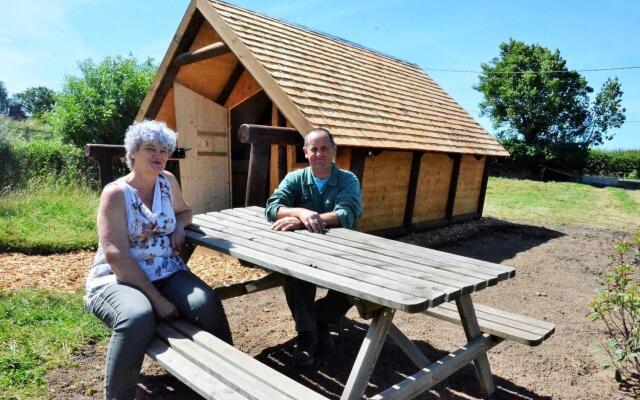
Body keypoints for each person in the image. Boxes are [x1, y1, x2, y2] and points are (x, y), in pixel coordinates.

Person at [84, 120, 232, 399]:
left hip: (166, 270)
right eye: (151, 149)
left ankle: (226, 381)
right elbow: (116, 255)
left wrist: (179, 226)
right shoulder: (116, 193)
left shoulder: (168, 182)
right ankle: (119, 395)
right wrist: (157, 300)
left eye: (164, 150)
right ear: (133, 153)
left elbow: (185, 212)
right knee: (138, 317)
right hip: (119, 277)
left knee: (207, 303)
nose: (159, 156)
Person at [265, 127, 363, 366]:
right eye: (314, 149)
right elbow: (272, 207)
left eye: (324, 149)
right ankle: (307, 337)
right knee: (294, 276)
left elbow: (347, 213)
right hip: (304, 253)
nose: (319, 154)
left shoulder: (347, 179)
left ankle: (320, 319)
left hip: (343, 252)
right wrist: (301, 211)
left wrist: (301, 223)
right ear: (306, 152)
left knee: (356, 285)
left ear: (333, 151)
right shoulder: (295, 177)